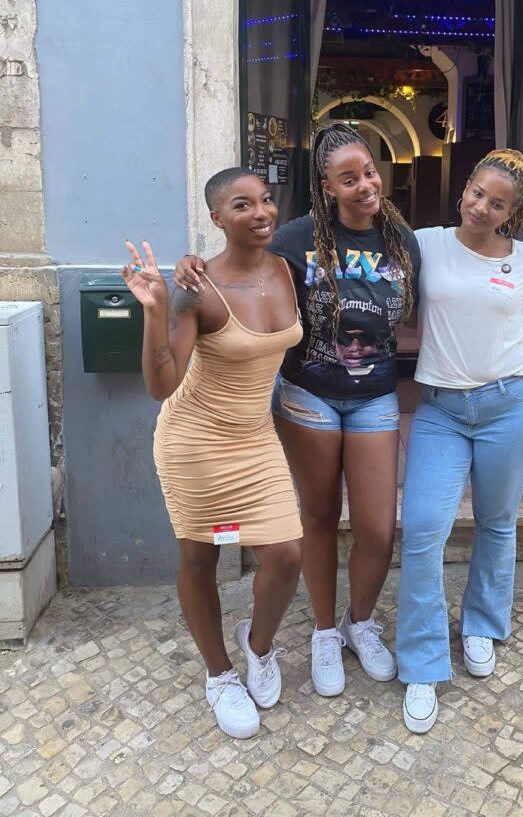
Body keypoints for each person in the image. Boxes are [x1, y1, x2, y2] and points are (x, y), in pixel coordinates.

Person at [173, 124, 420, 697]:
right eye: (349, 178)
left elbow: (420, 303)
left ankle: (362, 622)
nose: (365, 185)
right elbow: (236, 258)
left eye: (370, 173)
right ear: (327, 186)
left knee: (379, 528)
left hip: (376, 396)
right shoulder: (296, 237)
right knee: (317, 518)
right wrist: (190, 265)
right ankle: (325, 633)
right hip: (308, 392)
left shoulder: (401, 239)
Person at [122, 168, 303, 740]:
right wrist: (155, 310)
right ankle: (219, 674)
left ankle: (259, 646)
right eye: (241, 205)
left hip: (255, 439)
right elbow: (161, 385)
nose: (260, 212)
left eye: (266, 200)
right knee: (200, 559)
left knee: (286, 555)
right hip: (195, 442)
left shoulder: (286, 262)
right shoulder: (196, 290)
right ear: (217, 219)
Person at [395, 148, 523, 734]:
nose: (481, 206)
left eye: (497, 202)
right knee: (421, 529)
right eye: (476, 192)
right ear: (465, 188)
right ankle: (420, 662)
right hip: (440, 408)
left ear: (511, 213)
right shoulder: (426, 243)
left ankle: (482, 627)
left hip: (511, 406)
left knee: (497, 522)